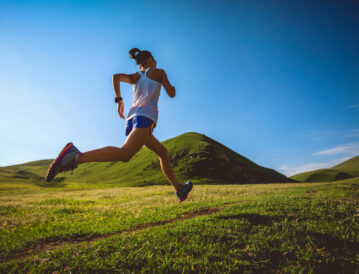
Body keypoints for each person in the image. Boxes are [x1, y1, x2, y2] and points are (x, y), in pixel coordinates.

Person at [45, 48, 193, 202]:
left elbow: (116, 77)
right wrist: (169, 84)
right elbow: (172, 93)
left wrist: (119, 100)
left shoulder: (136, 77)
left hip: (132, 119)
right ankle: (75, 157)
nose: (156, 61)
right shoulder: (159, 72)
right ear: (150, 60)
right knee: (125, 154)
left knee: (162, 152)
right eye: (154, 59)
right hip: (146, 118)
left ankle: (179, 189)